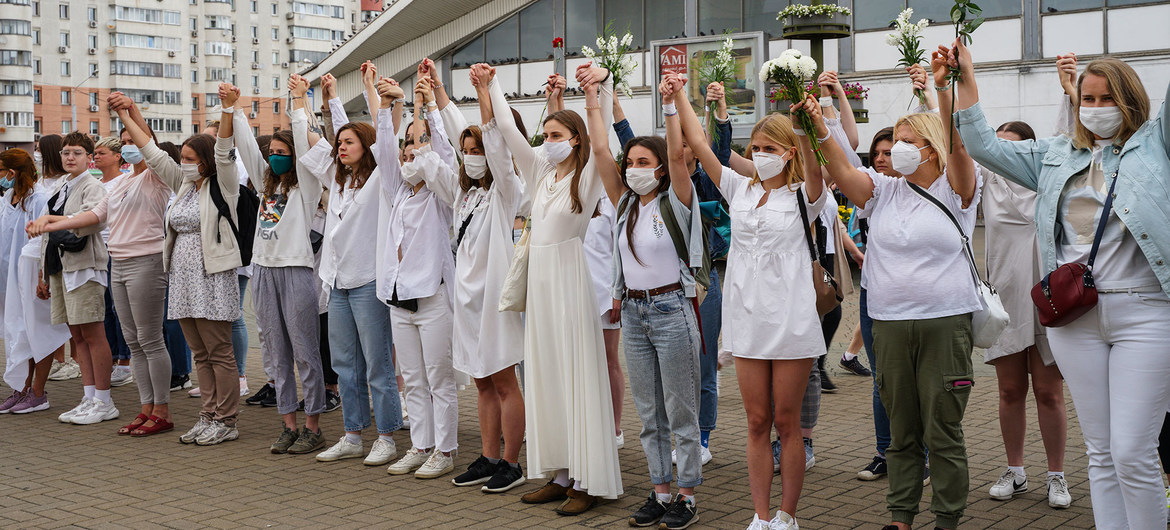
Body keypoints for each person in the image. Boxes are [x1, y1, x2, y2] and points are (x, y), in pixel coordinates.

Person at [951, 37, 1170, 529]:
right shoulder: (1055, 155)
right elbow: (983, 145)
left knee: (1133, 451)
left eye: (1106, 98)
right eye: (1087, 98)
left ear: (1131, 101)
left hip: (1147, 313)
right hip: (1075, 320)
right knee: (1101, 451)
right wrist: (965, 77)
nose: (1094, 108)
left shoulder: (1158, 143)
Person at [816, 44, 982, 529]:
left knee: (943, 428)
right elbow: (840, 168)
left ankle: (947, 518)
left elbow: (959, 142)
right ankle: (901, 515)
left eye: (909, 141)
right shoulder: (882, 189)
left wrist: (943, 86)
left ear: (932, 146)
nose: (896, 150)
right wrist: (815, 119)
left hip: (944, 323)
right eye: (894, 142)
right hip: (886, 323)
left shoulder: (956, 187)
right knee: (902, 431)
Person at [679, 79, 828, 528]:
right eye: (755, 146)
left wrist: (806, 125)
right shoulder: (739, 190)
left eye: (768, 147)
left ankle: (788, 515)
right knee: (756, 421)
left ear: (787, 152)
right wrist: (679, 97)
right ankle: (760, 516)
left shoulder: (806, 196)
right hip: (745, 319)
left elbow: (818, 167)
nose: (759, 153)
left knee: (787, 423)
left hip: (791, 320)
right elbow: (702, 145)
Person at [484, 61, 622, 515]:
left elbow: (607, 145)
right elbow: (507, 129)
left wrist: (595, 93)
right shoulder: (541, 175)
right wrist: (492, 84)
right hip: (540, 286)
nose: (548, 143)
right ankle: (560, 476)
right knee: (545, 378)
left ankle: (586, 480)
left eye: (557, 136)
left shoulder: (589, 177)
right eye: (546, 136)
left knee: (577, 376)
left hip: (569, 280)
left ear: (576, 139)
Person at [26, 94, 177, 436]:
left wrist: (128, 113)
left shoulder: (156, 176)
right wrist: (50, 221)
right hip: (119, 263)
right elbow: (94, 215)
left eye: (130, 141)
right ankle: (145, 407)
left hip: (147, 262)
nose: (128, 146)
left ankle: (162, 410)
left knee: (150, 340)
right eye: (123, 143)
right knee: (133, 341)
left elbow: (148, 145)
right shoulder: (122, 181)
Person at [418, 58, 528, 493]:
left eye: (477, 148)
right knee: (482, 382)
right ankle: (486, 455)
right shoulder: (464, 193)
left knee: (504, 381)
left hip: (494, 301)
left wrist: (485, 93)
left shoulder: (508, 191)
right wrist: (438, 96)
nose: (471, 155)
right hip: (465, 301)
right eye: (469, 150)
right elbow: (448, 140)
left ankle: (511, 462)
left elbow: (498, 147)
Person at [605, 74, 705, 530]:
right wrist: (598, 97)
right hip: (634, 312)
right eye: (630, 162)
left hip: (671, 311)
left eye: (644, 161)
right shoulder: (625, 204)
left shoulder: (677, 199)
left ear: (662, 168)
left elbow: (681, 157)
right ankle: (660, 490)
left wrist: (670, 104)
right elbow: (601, 151)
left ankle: (686, 495)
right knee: (649, 413)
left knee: (681, 409)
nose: (633, 167)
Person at [615, 79, 732, 466]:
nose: (679, 149)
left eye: (684, 144)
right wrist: (610, 100)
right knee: (660, 387)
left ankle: (700, 437)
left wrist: (710, 109)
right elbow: (628, 141)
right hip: (644, 304)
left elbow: (717, 146)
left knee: (703, 366)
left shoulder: (700, 181)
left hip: (697, 285)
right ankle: (667, 472)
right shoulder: (646, 192)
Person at [119, 101, 244, 446]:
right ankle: (207, 415)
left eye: (191, 160)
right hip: (183, 278)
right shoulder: (184, 186)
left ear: (206, 162)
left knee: (219, 350)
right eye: (183, 159)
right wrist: (125, 116)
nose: (185, 165)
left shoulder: (224, 185)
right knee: (199, 352)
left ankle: (227, 419)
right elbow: (152, 152)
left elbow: (224, 150)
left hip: (212, 277)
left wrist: (229, 109)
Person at [298, 69, 403, 466]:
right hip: (337, 282)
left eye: (349, 143)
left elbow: (384, 132)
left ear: (368, 147)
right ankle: (353, 435)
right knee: (344, 364)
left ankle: (388, 438)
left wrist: (370, 91)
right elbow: (324, 136)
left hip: (368, 281)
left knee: (378, 364)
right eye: (338, 143)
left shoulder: (381, 180)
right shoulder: (337, 181)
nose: (340, 147)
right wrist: (328, 99)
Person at [220, 81, 329, 455]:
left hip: (297, 271)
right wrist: (234, 108)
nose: (277, 157)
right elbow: (249, 148)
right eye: (275, 153)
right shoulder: (266, 186)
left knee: (304, 352)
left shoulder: (308, 187)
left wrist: (298, 102)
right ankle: (288, 424)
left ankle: (313, 425)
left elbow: (302, 140)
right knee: (275, 353)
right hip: (264, 271)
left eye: (285, 152)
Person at [370, 74, 460, 479]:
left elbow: (438, 150)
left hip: (433, 296)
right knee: (413, 379)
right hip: (398, 297)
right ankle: (420, 445)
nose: (410, 151)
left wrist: (424, 109)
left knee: (439, 378)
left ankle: (445, 450)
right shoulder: (397, 189)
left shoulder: (444, 193)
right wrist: (395, 105)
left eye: (416, 144)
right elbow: (385, 148)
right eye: (408, 144)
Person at [980, 120, 1070, 509]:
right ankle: (1015, 471)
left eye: (1012, 149)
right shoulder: (987, 182)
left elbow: (1067, 135)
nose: (1002, 155)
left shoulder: (1048, 185)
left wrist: (1070, 91)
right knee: (1010, 390)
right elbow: (954, 139)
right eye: (997, 147)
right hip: (1005, 302)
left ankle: (1057, 475)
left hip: (1048, 300)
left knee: (1049, 393)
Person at [36, 131, 118, 426]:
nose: (70, 157)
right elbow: (48, 236)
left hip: (84, 268)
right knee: (77, 336)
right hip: (60, 268)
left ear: (89, 157)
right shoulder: (62, 184)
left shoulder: (93, 186)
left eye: (77, 153)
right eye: (66, 152)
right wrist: (42, 274)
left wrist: (52, 223)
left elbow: (92, 221)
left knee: (94, 334)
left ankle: (104, 400)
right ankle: (89, 395)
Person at [0, 148, 71, 414]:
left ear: (12, 172)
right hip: (10, 277)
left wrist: (43, 275)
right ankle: (21, 389)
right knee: (18, 333)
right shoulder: (9, 197)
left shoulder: (41, 197)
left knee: (39, 332)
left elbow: (45, 239)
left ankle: (38, 392)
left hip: (33, 273)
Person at [91, 137, 133, 387]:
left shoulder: (125, 181)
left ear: (118, 156)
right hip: (96, 249)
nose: (96, 157)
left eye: (101, 153)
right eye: (94, 153)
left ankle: (125, 363)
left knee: (119, 309)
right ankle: (112, 359)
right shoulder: (97, 183)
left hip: (115, 247)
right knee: (104, 308)